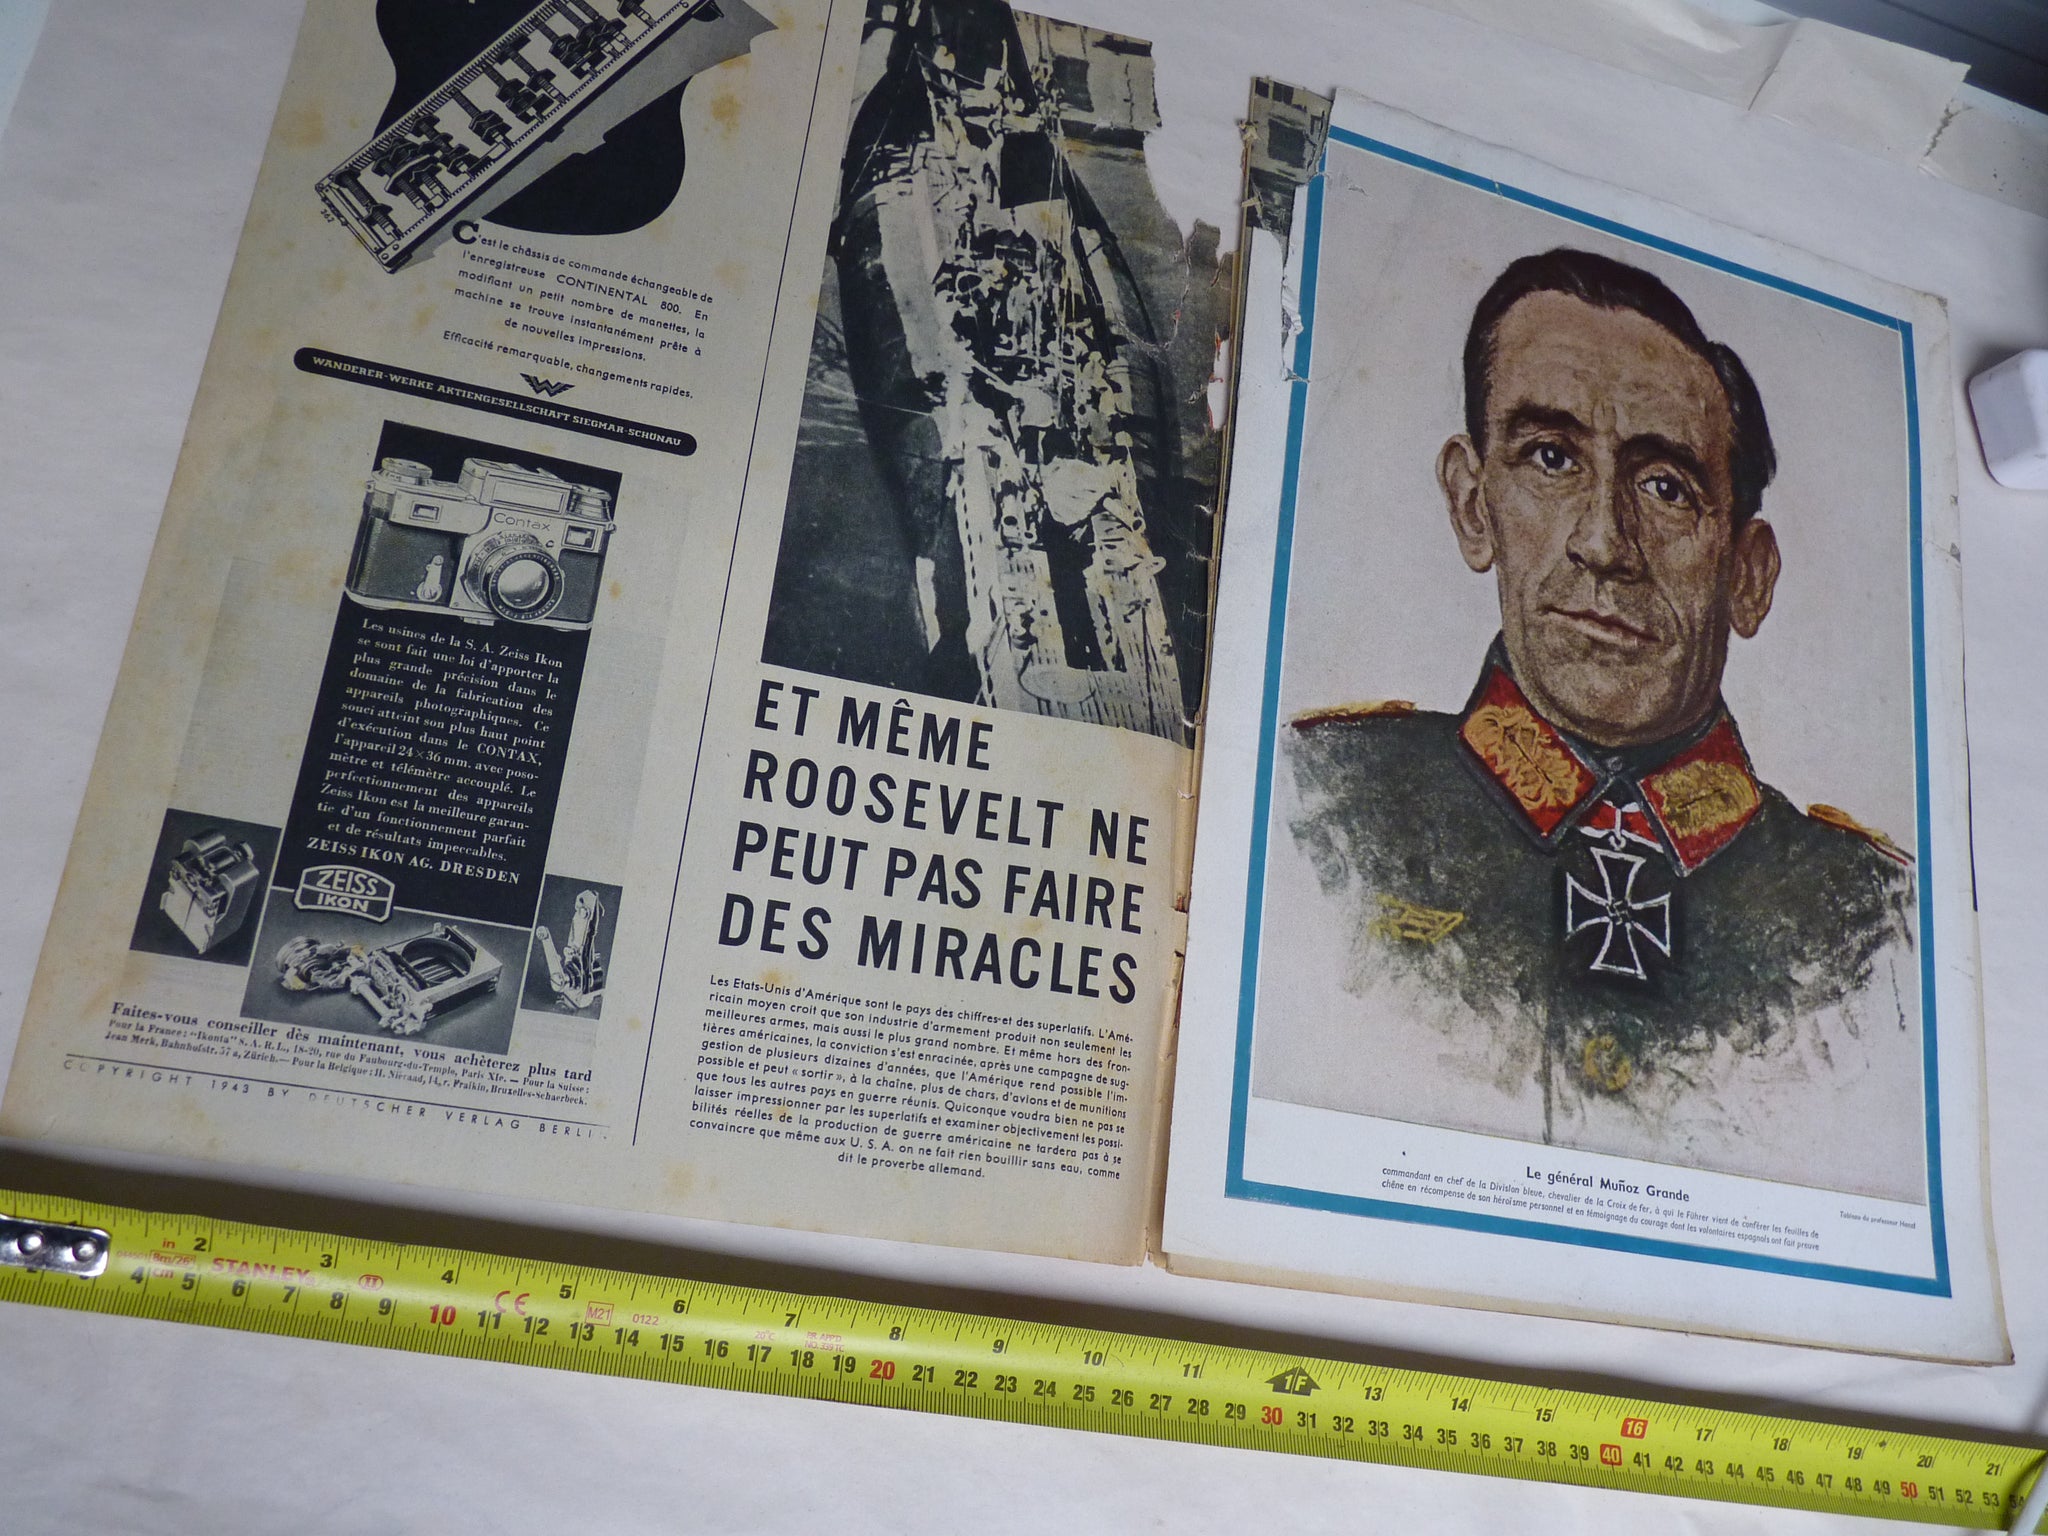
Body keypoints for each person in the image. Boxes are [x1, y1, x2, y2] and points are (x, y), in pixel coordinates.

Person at [1276, 248, 1921, 1196]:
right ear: (1473, 505)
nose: (1605, 543)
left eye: (1666, 487)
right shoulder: (1317, 807)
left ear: (1748, 575)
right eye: (1551, 459)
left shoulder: (1874, 922)